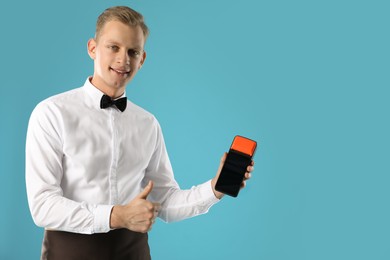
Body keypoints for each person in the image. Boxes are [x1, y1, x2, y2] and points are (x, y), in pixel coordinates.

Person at [25, 6, 254, 260]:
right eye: (113, 47)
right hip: (69, 252)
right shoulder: (51, 113)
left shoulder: (148, 124)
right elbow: (42, 205)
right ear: (92, 48)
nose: (123, 59)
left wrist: (214, 188)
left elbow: (165, 202)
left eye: (132, 51)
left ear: (142, 59)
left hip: (134, 252)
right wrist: (117, 216)